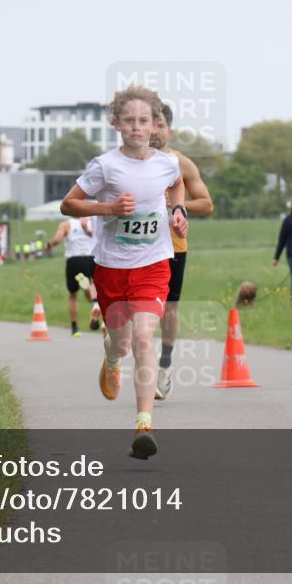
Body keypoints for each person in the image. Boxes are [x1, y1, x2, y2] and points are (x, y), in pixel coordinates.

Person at [60, 85, 188, 460]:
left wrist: (178, 212)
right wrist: (109, 209)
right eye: (129, 120)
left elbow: (177, 185)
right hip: (112, 269)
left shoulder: (168, 163)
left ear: (155, 125)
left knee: (144, 337)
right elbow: (69, 205)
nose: (137, 127)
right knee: (122, 341)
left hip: (153, 265)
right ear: (116, 123)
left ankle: (144, 423)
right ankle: (112, 359)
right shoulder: (105, 166)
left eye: (144, 121)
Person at [150, 104, 213, 400]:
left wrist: (178, 206)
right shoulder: (129, 163)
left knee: (169, 308)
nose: (154, 130)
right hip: (138, 247)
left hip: (174, 245)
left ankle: (164, 365)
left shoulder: (181, 163)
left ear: (169, 130)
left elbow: (207, 204)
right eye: (149, 123)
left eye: (159, 124)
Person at [46, 217, 102, 337]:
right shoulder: (93, 222)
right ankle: (95, 303)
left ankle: (75, 328)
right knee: (94, 286)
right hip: (91, 258)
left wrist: (49, 245)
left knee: (73, 295)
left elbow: (56, 240)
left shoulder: (66, 224)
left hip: (73, 260)